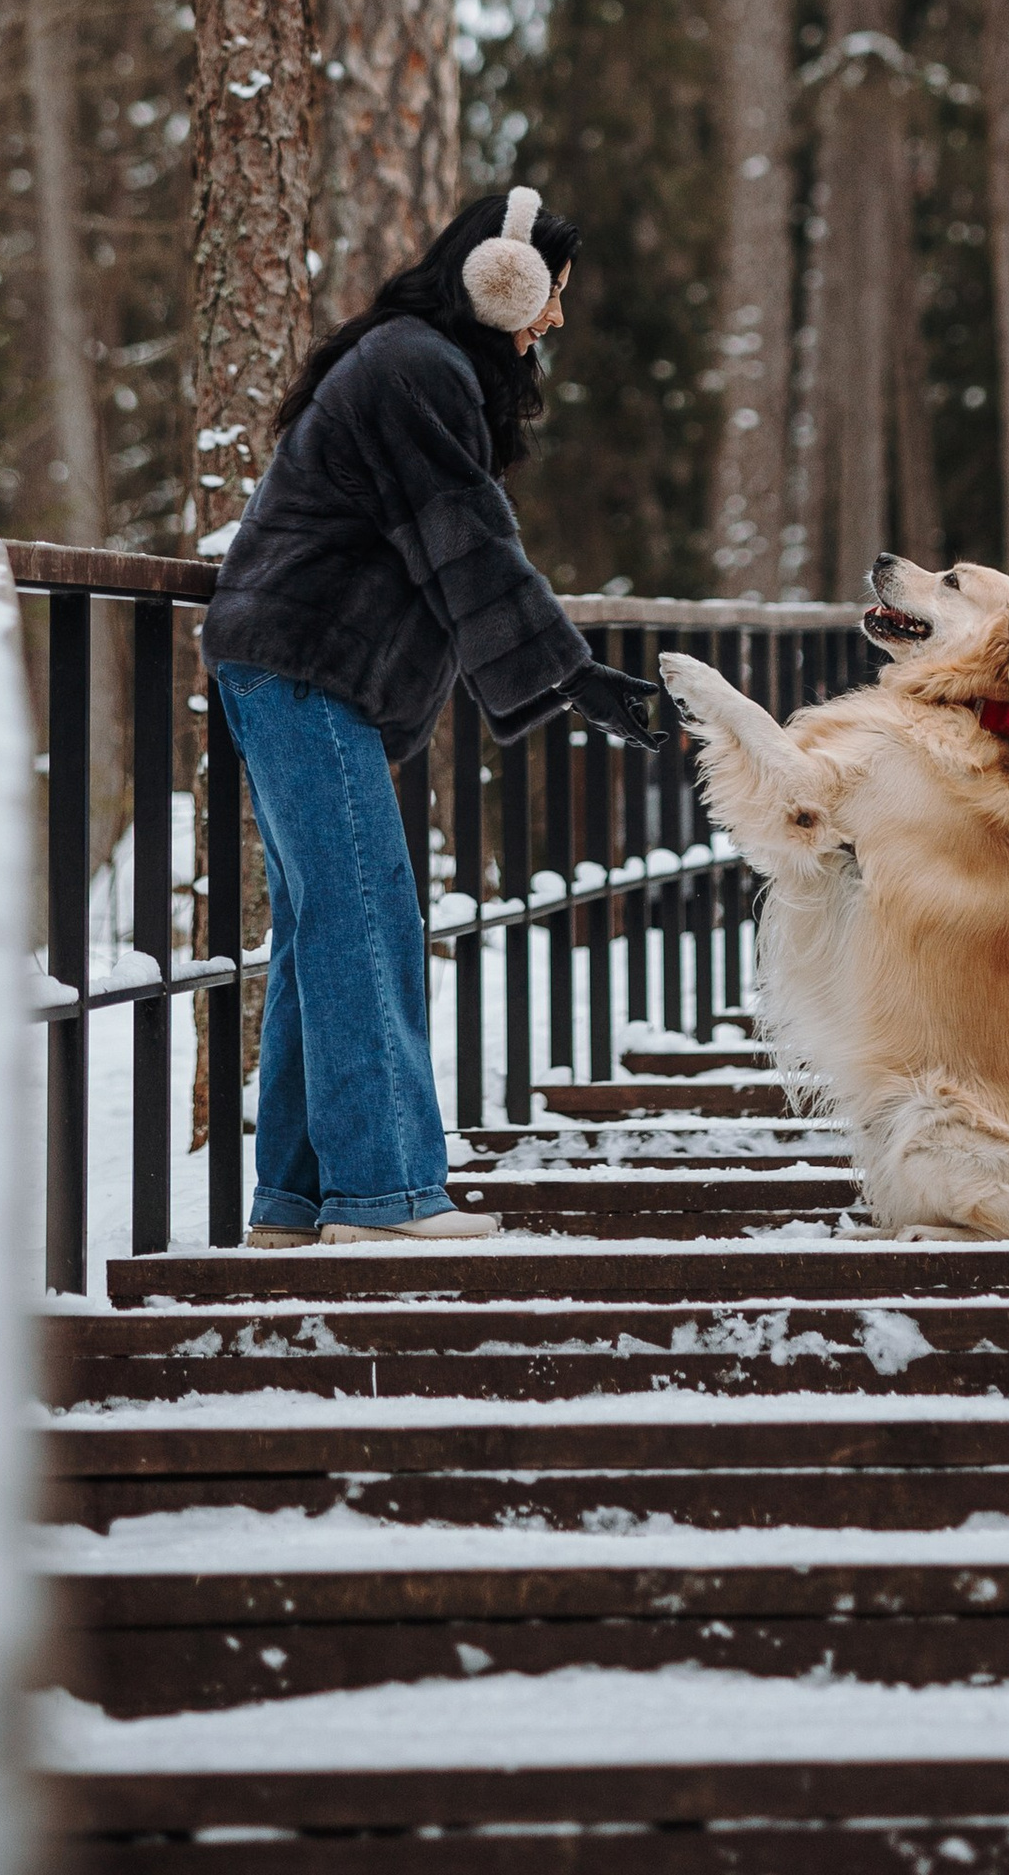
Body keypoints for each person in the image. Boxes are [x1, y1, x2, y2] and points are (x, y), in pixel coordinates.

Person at [199, 182, 664, 1244]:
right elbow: (468, 540)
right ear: (498, 281)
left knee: (331, 927)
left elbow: (457, 542)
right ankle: (384, 1195)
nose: (554, 319)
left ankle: (298, 1199)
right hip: (302, 665)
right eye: (549, 294)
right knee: (369, 920)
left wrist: (565, 674)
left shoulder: (417, 362)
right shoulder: (415, 366)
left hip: (292, 667)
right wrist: (574, 675)